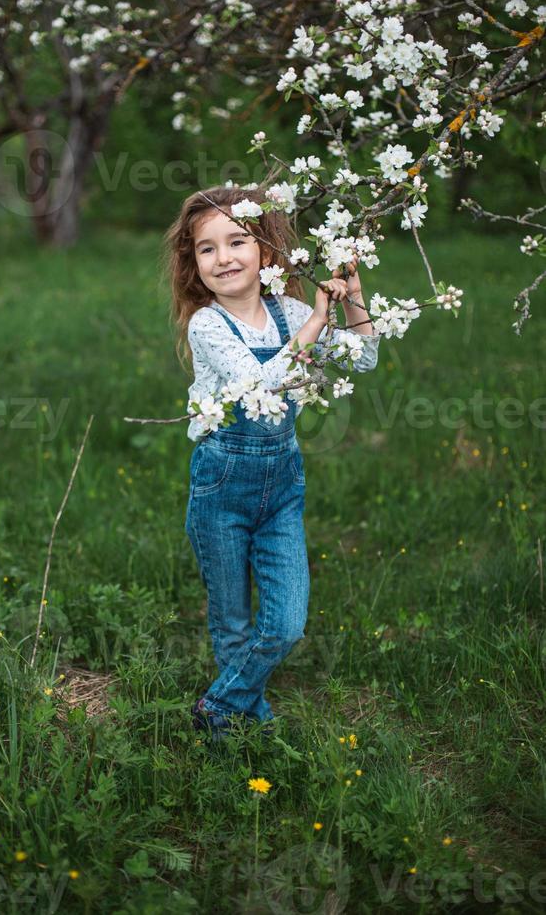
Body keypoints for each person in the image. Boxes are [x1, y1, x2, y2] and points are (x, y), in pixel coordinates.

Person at [164, 183, 381, 741]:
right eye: (206, 248)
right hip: (222, 482)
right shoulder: (208, 325)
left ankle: (219, 703)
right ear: (195, 262)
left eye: (237, 241)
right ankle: (238, 731)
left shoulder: (290, 310)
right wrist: (315, 326)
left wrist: (352, 298)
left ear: (266, 249)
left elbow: (365, 357)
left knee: (285, 624)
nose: (224, 258)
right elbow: (261, 383)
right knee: (232, 621)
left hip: (282, 483)